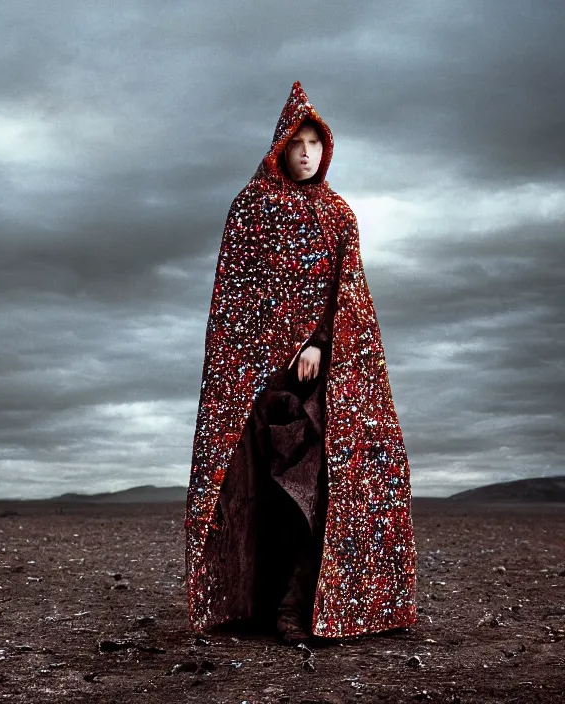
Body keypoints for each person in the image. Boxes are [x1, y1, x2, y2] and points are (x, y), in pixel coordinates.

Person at [185, 81, 418, 644]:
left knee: (312, 484)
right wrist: (260, 351)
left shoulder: (339, 216)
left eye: (317, 141)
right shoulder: (252, 208)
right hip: (259, 378)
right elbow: (237, 294)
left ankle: (301, 605)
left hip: (324, 377)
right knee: (262, 490)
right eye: (299, 141)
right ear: (281, 147)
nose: (309, 151)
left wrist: (316, 340)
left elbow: (349, 294)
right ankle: (262, 607)